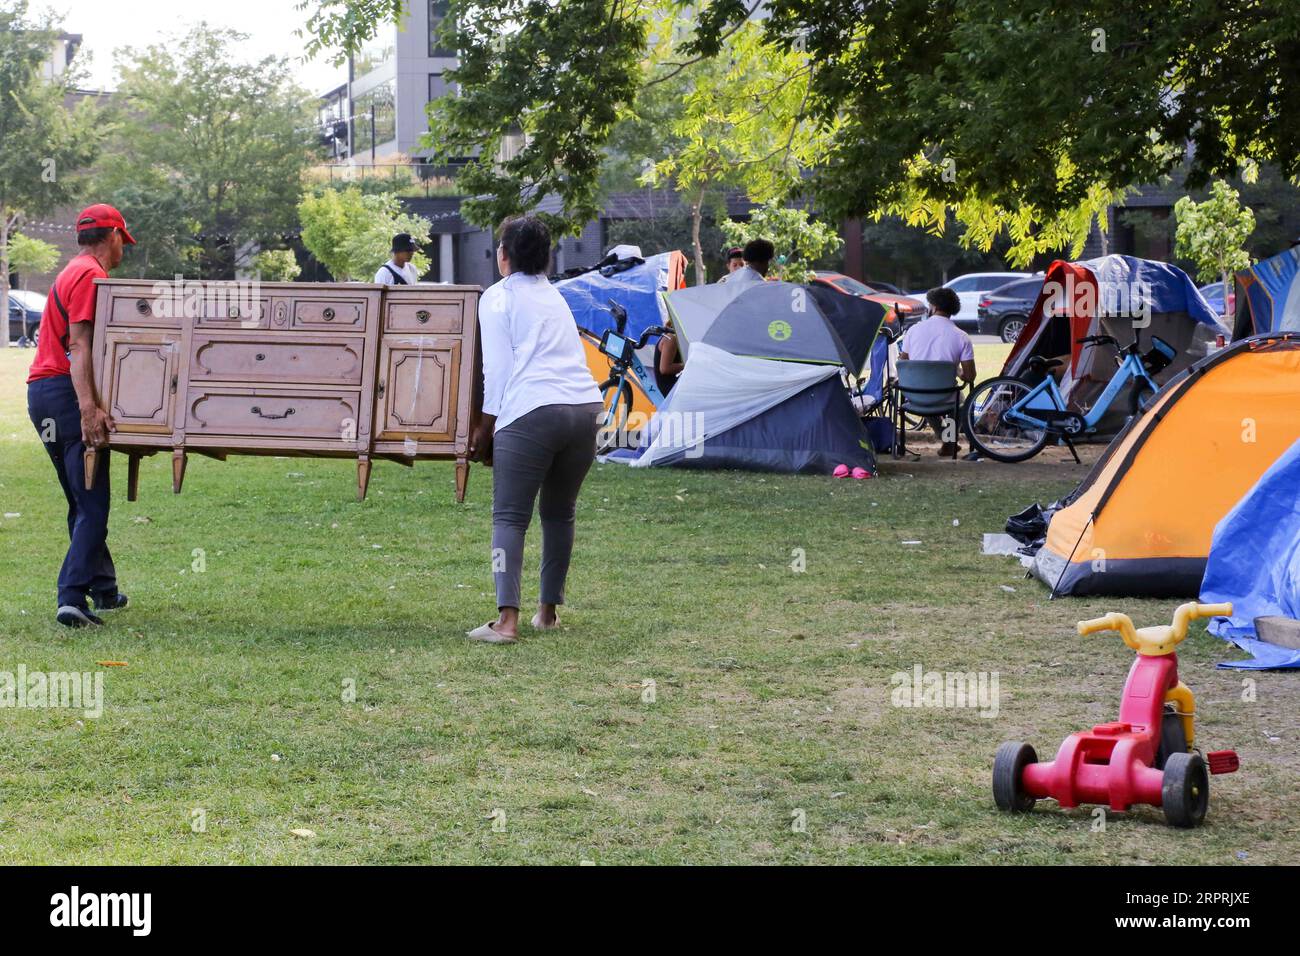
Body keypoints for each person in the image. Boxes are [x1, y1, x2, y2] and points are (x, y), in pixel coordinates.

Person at [466, 216, 603, 644]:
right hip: (584, 410)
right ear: (547, 257)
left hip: (532, 410)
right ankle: (547, 613)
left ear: (502, 256)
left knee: (510, 516)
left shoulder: (496, 297)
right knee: (559, 513)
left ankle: (506, 622)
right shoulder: (555, 296)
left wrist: (484, 430)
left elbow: (498, 369)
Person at [26, 204, 135, 627]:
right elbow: (80, 346)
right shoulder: (93, 275)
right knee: (93, 504)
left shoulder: (70, 270)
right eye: (123, 240)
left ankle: (103, 588)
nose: (123, 248)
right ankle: (71, 596)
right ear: (113, 238)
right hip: (67, 395)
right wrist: (89, 408)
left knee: (80, 497)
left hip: (42, 394)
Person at [898, 286, 977, 458]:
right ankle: (948, 440)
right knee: (958, 400)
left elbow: (903, 362)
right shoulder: (961, 336)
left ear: (933, 306)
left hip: (914, 395)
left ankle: (946, 439)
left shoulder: (913, 330)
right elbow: (970, 376)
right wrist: (956, 370)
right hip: (944, 395)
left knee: (927, 397)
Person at [653, 318, 684, 396]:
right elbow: (665, 369)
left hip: (672, 384)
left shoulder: (671, 335)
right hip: (669, 389)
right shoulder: (671, 338)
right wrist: (687, 364)